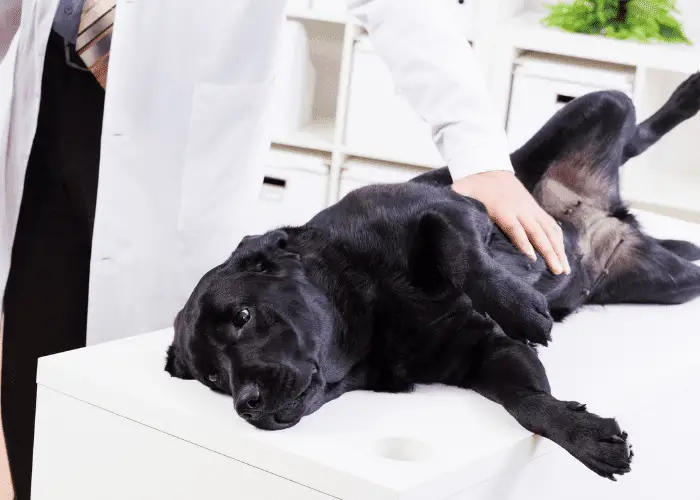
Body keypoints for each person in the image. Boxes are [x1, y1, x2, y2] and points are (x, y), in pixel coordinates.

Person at [0, 0, 569, 497]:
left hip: (178, 132)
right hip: (47, 94)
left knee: (161, 416)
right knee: (31, 364)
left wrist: (477, 149)